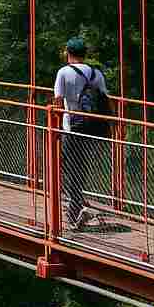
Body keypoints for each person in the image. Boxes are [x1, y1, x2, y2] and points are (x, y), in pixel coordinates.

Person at [54, 36, 110, 230]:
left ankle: (75, 211)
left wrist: (56, 122)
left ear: (68, 53)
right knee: (80, 167)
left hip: (72, 127)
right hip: (93, 128)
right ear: (85, 54)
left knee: (71, 169)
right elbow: (104, 98)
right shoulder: (96, 73)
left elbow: (58, 100)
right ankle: (77, 205)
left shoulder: (64, 72)